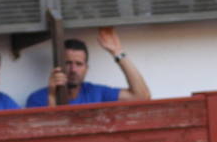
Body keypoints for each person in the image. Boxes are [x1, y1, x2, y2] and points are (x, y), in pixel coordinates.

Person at [24, 27, 152, 106]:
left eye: (79, 64)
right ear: (58, 67)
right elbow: (48, 135)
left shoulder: (95, 92)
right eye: (68, 63)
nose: (73, 70)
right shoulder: (37, 98)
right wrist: (52, 96)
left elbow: (142, 96)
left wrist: (118, 52)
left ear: (86, 68)